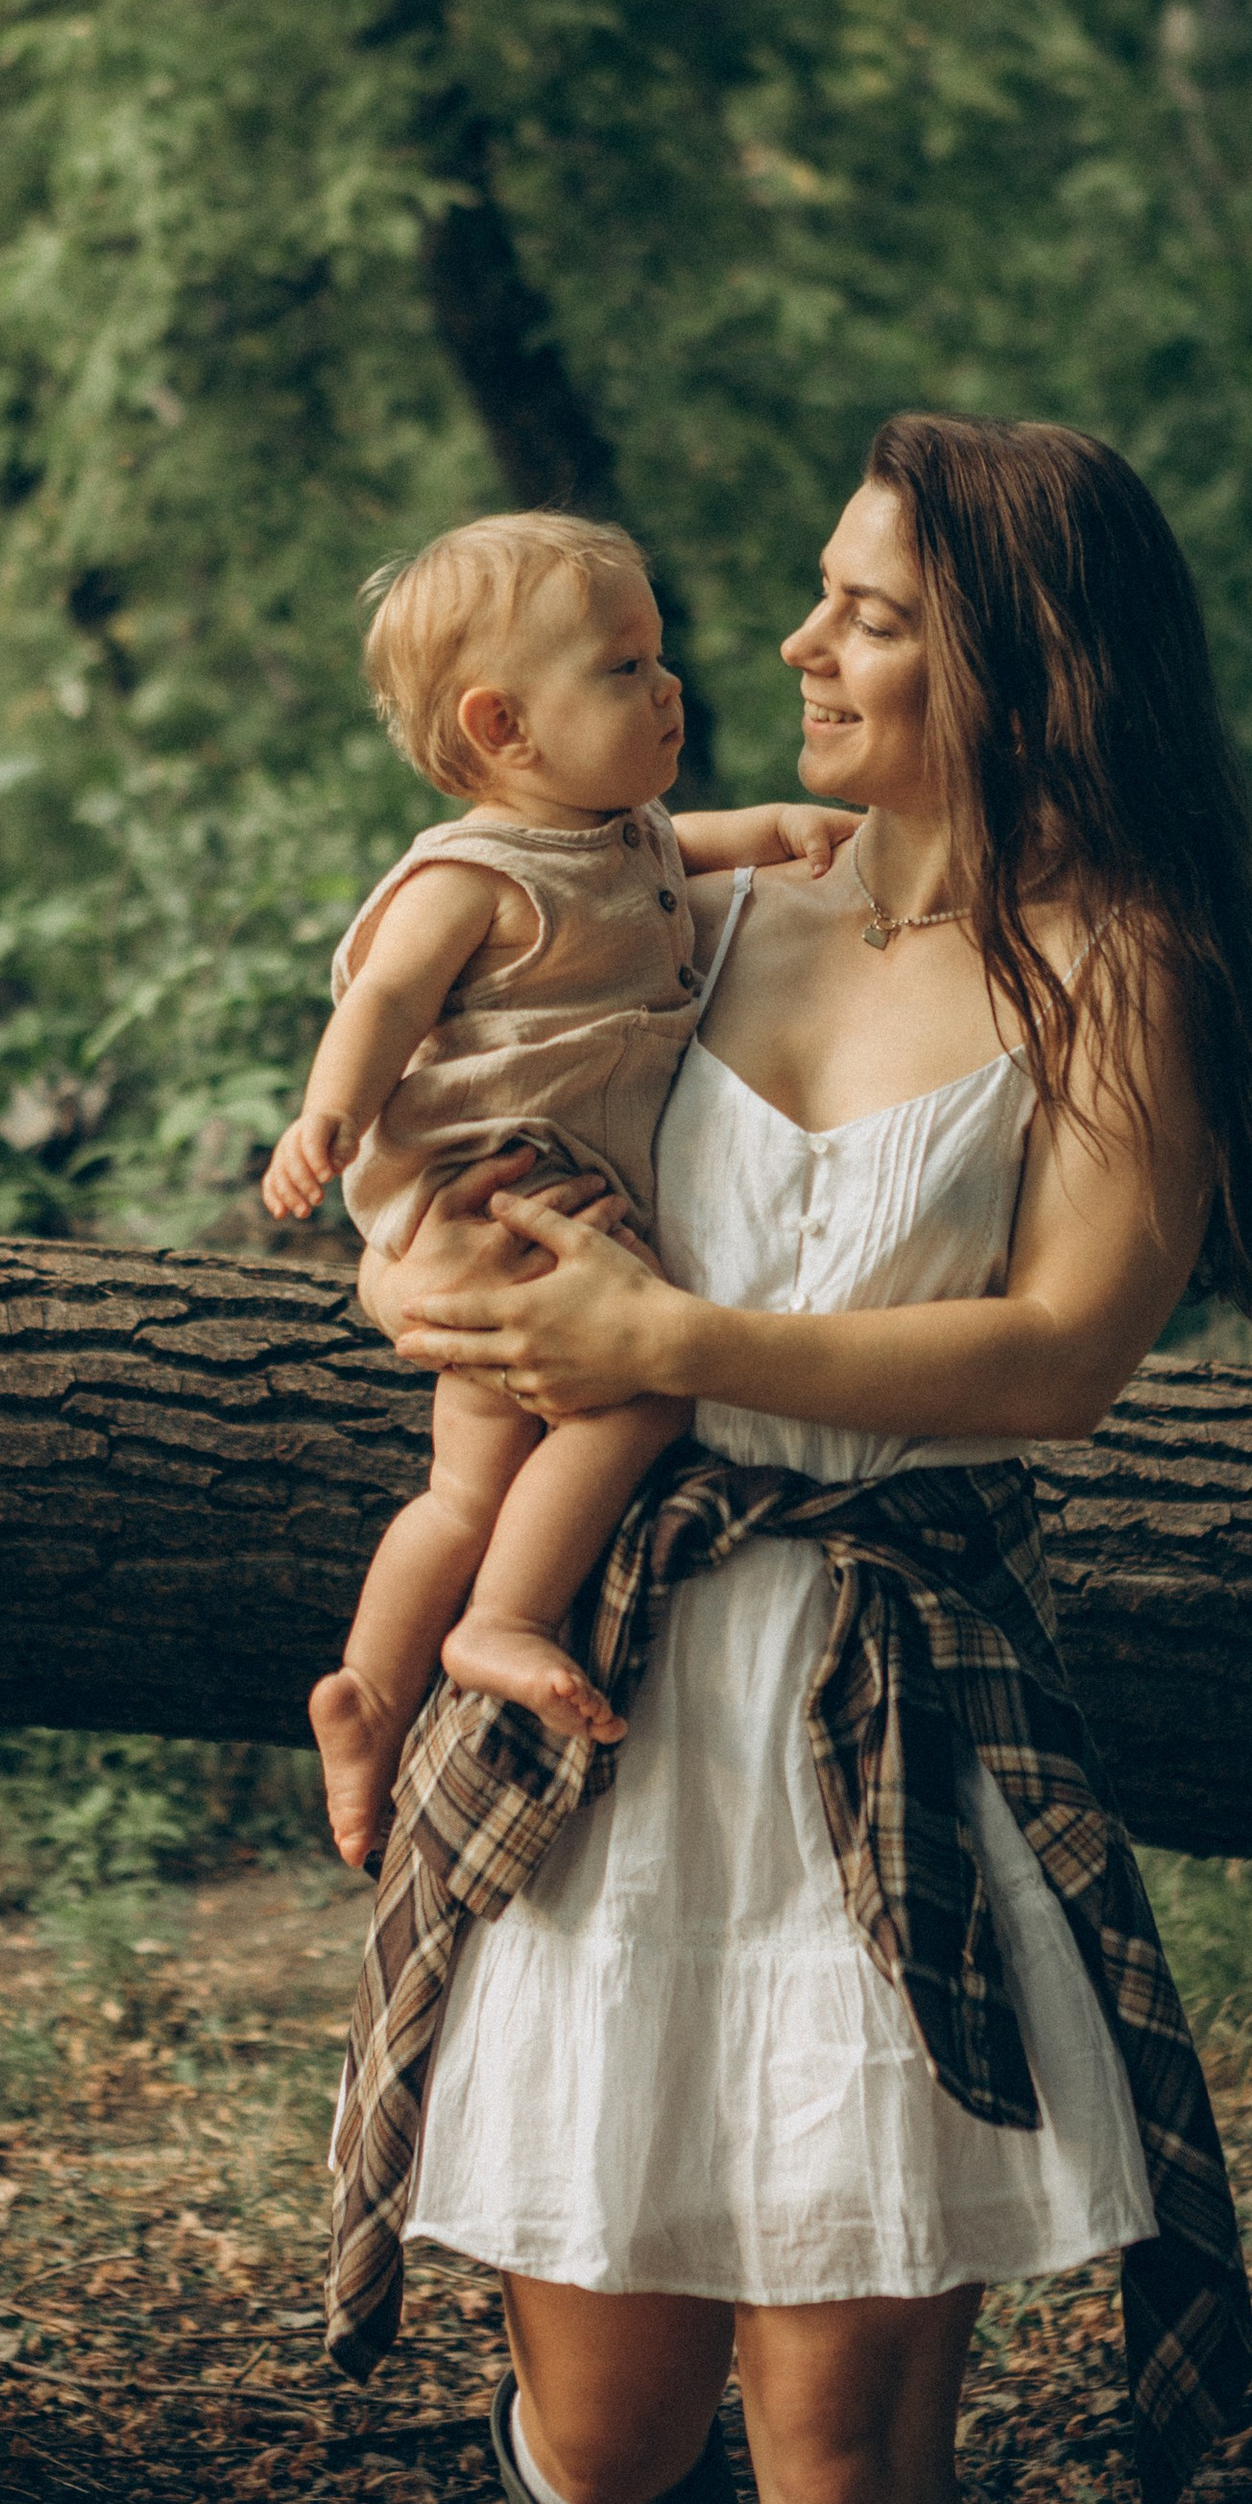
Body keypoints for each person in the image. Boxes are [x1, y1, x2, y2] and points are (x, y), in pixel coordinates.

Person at [322, 416, 1252, 2504]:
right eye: (819, 597)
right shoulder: (703, 907)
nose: (796, 645)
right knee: (598, 2429)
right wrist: (416, 1271)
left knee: (841, 2460)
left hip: (879, 1723)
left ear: (1023, 663)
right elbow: (470, 1127)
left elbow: (1057, 1353)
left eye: (865, 612)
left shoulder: (1113, 967)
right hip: (607, 1707)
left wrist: (678, 1341)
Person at [261, 508, 856, 1867]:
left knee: (461, 1491)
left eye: (658, 656)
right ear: (506, 728)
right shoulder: (472, 874)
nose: (670, 687)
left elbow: (686, 849)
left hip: (536, 1216)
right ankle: (501, 1621)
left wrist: (776, 829)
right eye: (626, 668)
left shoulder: (622, 834)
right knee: (640, 1395)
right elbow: (387, 1000)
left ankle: (368, 1692)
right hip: (499, 1206)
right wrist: (329, 1113)